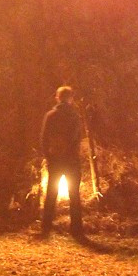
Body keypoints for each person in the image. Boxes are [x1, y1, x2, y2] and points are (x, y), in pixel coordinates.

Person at [40, 85, 84, 238]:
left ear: (57, 98)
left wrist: (48, 157)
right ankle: (76, 229)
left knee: (51, 193)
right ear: (71, 99)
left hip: (56, 160)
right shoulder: (75, 117)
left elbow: (44, 139)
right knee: (74, 195)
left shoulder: (50, 116)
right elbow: (78, 138)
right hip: (72, 161)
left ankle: (46, 228)